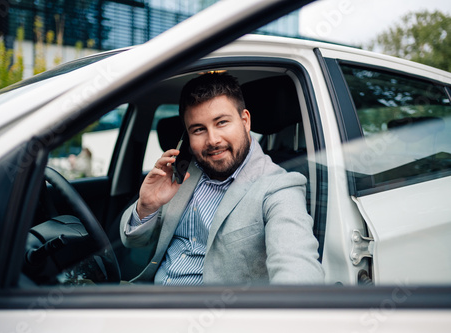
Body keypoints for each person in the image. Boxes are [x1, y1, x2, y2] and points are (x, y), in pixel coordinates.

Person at [120, 73, 324, 285]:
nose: (213, 140)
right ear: (187, 136)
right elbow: (133, 242)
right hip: (148, 300)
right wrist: (147, 206)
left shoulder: (278, 186)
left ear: (245, 121)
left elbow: (298, 269)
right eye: (198, 129)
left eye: (222, 122)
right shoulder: (179, 174)